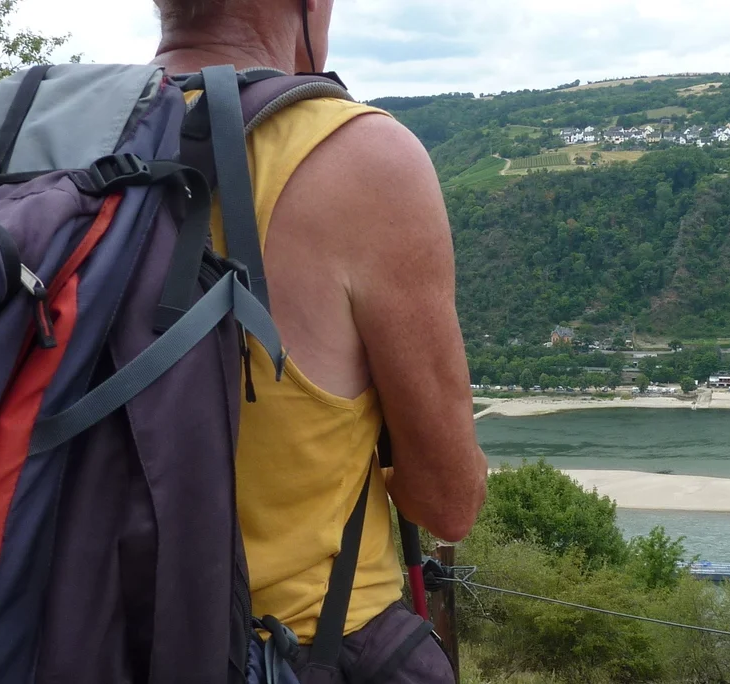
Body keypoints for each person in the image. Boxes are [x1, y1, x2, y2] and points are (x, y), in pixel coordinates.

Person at [151, 0, 488, 680]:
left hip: (57, 632)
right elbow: (448, 503)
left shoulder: (39, 142)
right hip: (286, 647)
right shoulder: (357, 154)